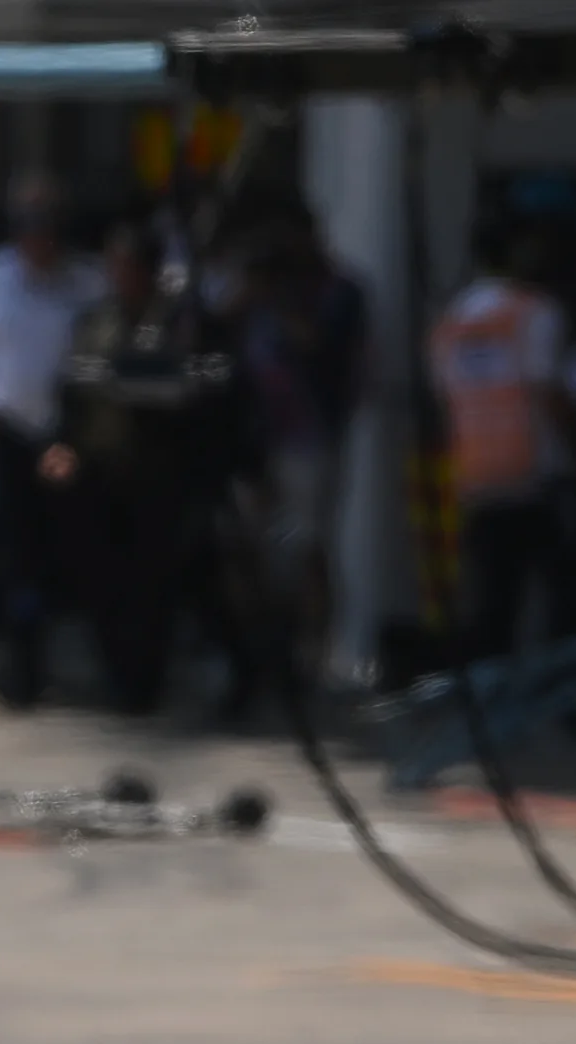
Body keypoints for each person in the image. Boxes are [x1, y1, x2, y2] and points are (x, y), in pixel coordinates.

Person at [38, 225, 231, 717]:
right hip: (100, 473)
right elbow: (73, 386)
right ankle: (116, 676)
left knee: (153, 588)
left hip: (159, 478)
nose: (119, 278)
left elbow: (197, 387)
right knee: (103, 582)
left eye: (128, 268)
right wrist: (62, 443)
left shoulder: (181, 322)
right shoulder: (96, 320)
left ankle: (143, 682)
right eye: (114, 268)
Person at [0, 176, 105, 706]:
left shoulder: (88, 282)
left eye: (49, 232)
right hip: (7, 428)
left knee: (71, 552)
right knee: (16, 556)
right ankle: (23, 670)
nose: (40, 243)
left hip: (68, 432)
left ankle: (78, 660)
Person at [227, 204, 370, 684]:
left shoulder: (337, 291)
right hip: (256, 442)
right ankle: (261, 655)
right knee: (251, 551)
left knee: (308, 549)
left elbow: (324, 348)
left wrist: (277, 303)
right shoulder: (252, 300)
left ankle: (313, 656)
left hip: (309, 439)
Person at [429, 227, 574, 659]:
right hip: (537, 469)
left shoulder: (452, 321)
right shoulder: (535, 311)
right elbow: (547, 392)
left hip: (478, 473)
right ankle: (564, 703)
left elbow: (446, 398)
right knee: (562, 593)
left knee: (493, 598)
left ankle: (495, 696)